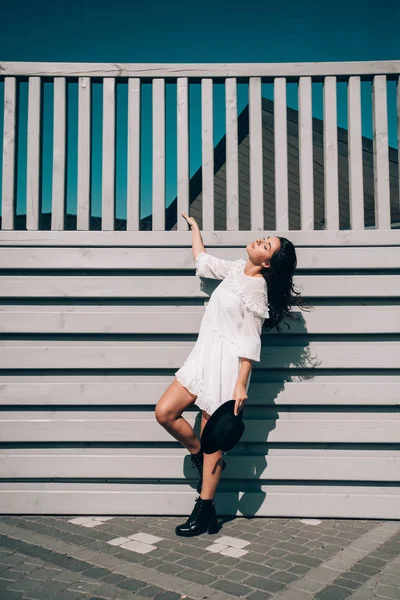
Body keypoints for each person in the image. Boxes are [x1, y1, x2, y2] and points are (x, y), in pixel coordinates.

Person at [155, 211, 304, 537]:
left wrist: (239, 385)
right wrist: (194, 228)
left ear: (267, 263)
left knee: (215, 442)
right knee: (165, 412)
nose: (260, 240)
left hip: (226, 368)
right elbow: (203, 261)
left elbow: (251, 341)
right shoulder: (237, 268)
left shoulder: (256, 291)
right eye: (265, 238)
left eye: (266, 244)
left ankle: (205, 509)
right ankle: (198, 454)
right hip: (203, 356)